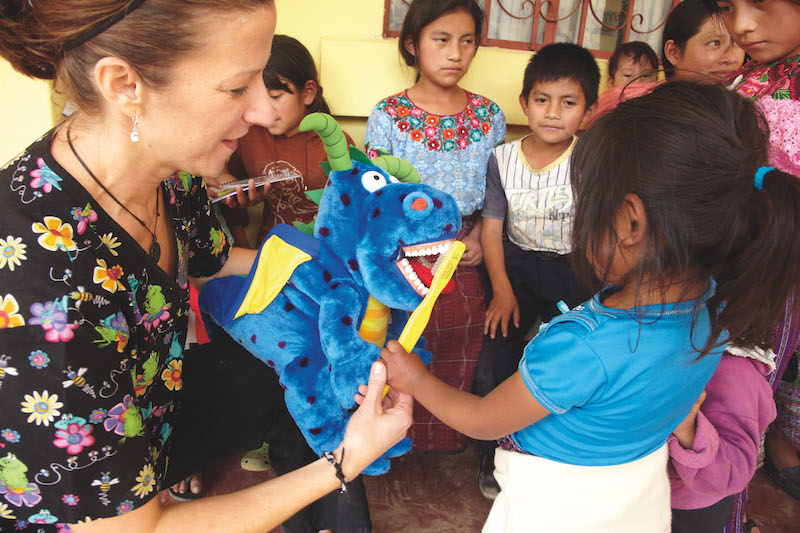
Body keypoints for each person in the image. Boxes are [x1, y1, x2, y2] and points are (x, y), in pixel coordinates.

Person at [0, 1, 412, 532]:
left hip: (155, 413)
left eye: (263, 82)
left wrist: (347, 275)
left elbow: (217, 261)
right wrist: (344, 462)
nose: (264, 112)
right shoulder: (38, 279)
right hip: (79, 509)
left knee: (310, 350)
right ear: (126, 85)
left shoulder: (172, 170)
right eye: (239, 88)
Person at [379, 81, 800, 531]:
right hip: (637, 501)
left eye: (586, 206)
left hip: (555, 511)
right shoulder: (715, 312)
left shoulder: (582, 348)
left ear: (631, 221)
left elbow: (482, 420)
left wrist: (417, 379)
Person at [363, 0, 506, 452]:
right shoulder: (388, 115)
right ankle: (387, 438)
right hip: (401, 256)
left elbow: (498, 192)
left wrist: (481, 237)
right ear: (412, 44)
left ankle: (441, 439)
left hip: (466, 250)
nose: (455, 53)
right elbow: (376, 196)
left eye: (467, 41)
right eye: (441, 40)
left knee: (460, 328)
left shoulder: (489, 116)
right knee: (399, 338)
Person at [473, 43, 598, 500]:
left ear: (588, 110)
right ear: (524, 103)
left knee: (569, 359)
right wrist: (502, 291)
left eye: (569, 102)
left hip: (575, 270)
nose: (552, 113)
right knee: (495, 359)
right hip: (517, 268)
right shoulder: (502, 159)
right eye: (542, 100)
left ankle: (556, 455)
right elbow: (491, 232)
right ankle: (490, 452)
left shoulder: (589, 159)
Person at [702, 1, 800, 530]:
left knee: (744, 402)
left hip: (780, 278)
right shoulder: (744, 83)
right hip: (727, 270)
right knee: (720, 396)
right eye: (728, 8)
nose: (741, 25)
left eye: (759, 5)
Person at [215, 34, 355, 249]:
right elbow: (231, 194)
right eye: (257, 97)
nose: (264, 109)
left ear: (307, 92)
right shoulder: (249, 138)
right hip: (269, 255)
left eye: (275, 96)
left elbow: (355, 211)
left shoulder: (335, 144)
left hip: (325, 259)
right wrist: (241, 243)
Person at [588, 0, 745, 127]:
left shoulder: (745, 107)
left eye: (737, 43)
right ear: (673, 52)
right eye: (714, 43)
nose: (730, 58)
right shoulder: (634, 112)